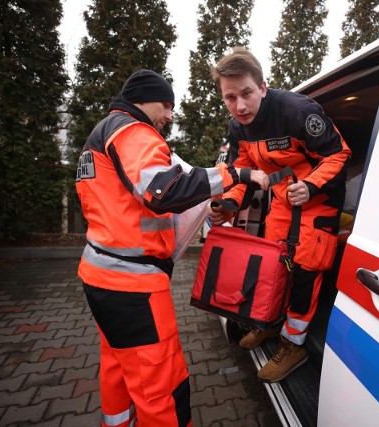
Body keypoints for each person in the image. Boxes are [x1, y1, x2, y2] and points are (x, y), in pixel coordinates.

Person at [75, 69, 267, 426]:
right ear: (145, 99)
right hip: (134, 289)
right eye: (166, 106)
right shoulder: (133, 131)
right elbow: (163, 191)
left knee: (119, 367)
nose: (169, 116)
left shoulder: (99, 135)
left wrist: (201, 205)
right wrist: (234, 175)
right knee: (161, 386)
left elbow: (130, 203)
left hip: (102, 277)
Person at [209, 47, 351, 383]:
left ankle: (294, 344)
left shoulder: (298, 111)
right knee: (275, 270)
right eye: (230, 97)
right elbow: (241, 169)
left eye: (246, 93)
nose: (239, 106)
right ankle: (271, 324)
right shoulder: (238, 127)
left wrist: (312, 186)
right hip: (282, 205)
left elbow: (339, 155)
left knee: (303, 275)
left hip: (318, 206)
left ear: (262, 87)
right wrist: (229, 206)